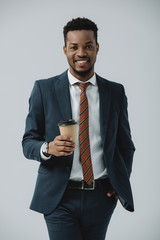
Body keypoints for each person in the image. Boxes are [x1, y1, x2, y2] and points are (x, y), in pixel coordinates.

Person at [22, 17, 135, 240]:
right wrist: (48, 148)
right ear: (65, 50)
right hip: (59, 197)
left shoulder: (115, 92)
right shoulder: (44, 89)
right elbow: (28, 142)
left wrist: (118, 184)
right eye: (74, 47)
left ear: (97, 48)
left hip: (101, 197)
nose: (81, 53)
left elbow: (125, 145)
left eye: (88, 46)